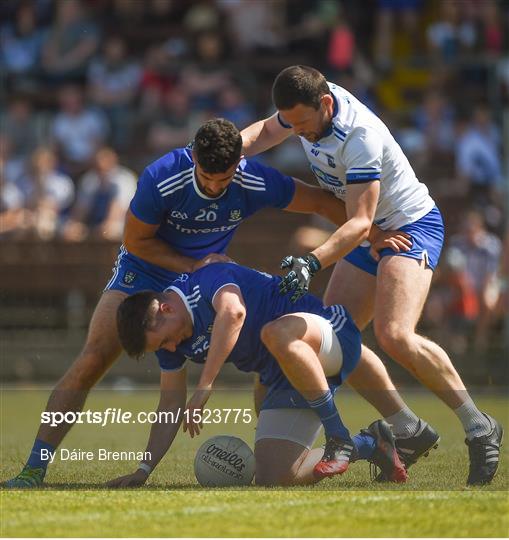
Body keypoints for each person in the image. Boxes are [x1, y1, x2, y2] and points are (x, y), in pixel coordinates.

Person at [4, 118, 408, 488]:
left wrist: (372, 235)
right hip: (148, 269)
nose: (215, 187)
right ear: (193, 158)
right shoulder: (162, 178)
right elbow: (136, 241)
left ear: (239, 164)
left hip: (206, 275)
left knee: (260, 351)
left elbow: (321, 202)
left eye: (224, 179)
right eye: (207, 177)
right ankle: (35, 469)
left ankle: (283, 448)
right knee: (94, 356)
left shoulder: (254, 180)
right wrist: (193, 266)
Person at [241, 65, 503, 485]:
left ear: (325, 105)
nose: (299, 133)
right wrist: (227, 149)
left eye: (304, 124)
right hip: (370, 231)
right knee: (336, 338)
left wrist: (312, 262)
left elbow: (360, 223)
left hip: (407, 226)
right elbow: (266, 134)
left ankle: (478, 425)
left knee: (395, 334)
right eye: (293, 124)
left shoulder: (358, 136)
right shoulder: (307, 108)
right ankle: (407, 429)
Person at [109, 262, 408, 487]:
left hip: (325, 334)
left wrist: (205, 384)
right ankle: (371, 442)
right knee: (276, 476)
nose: (171, 347)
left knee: (274, 335)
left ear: (166, 308)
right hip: (279, 370)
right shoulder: (170, 343)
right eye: (162, 347)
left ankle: (338, 435)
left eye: (164, 340)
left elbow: (233, 313)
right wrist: (143, 470)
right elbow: (170, 404)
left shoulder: (206, 280)